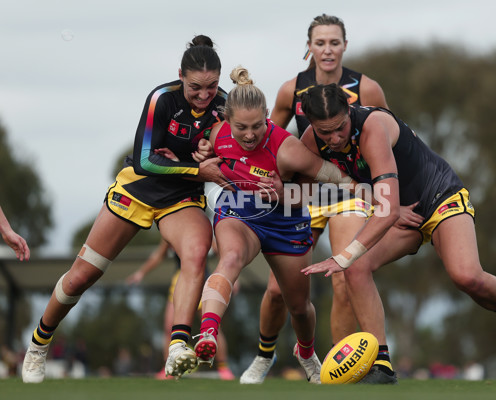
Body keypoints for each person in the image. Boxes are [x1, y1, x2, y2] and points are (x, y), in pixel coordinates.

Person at [299, 83, 496, 383]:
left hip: (439, 197)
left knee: (467, 276)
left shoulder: (372, 127)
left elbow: (381, 206)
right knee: (356, 267)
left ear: (349, 111)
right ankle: (382, 366)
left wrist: (347, 250)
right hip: (401, 214)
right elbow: (304, 184)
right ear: (311, 125)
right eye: (326, 132)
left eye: (340, 128)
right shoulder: (311, 140)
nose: (335, 138)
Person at [21, 35, 229, 383]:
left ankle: (178, 344)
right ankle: (39, 344)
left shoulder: (226, 105)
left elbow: (237, 150)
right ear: (180, 75)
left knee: (197, 252)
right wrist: (196, 168)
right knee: (81, 277)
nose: (204, 95)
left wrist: (214, 155)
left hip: (182, 197)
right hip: (140, 188)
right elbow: (146, 160)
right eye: (196, 87)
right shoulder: (161, 99)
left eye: (212, 86)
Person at [240, 14, 389, 385]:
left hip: (349, 193)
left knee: (345, 275)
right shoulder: (292, 89)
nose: (327, 50)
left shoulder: (366, 88)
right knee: (279, 290)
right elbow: (264, 137)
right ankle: (264, 356)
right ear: (308, 46)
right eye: (319, 42)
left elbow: (388, 140)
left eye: (334, 42)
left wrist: (383, 193)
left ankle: (340, 369)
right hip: (305, 194)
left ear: (344, 46)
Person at [190, 66, 356, 384]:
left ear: (267, 115)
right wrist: (201, 156)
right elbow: (208, 157)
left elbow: (336, 180)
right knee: (231, 258)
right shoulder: (217, 134)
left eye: (256, 126)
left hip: (286, 221)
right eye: (241, 127)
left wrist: (288, 192)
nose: (249, 135)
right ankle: (209, 334)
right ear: (227, 120)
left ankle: (305, 353)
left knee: (294, 303)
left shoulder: (289, 150)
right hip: (239, 210)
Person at [126, 238, 235, 380]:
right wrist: (141, 273)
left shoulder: (204, 230)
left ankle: (223, 368)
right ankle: (169, 367)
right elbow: (158, 255)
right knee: (168, 326)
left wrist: (231, 278)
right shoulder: (170, 233)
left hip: (202, 279)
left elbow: (222, 254)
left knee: (211, 326)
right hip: (180, 280)